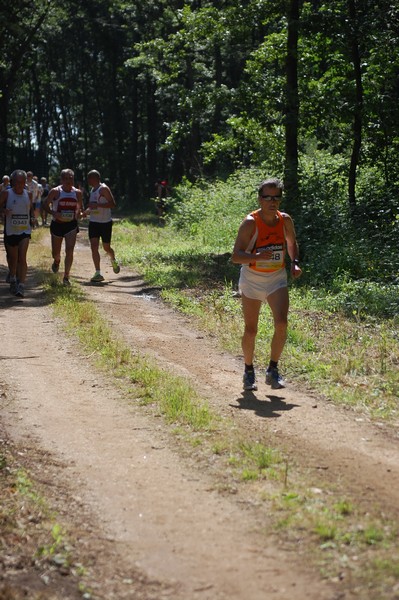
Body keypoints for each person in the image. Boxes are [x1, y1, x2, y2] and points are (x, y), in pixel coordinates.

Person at [232, 177, 302, 391]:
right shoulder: (250, 223)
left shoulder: (285, 220)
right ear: (260, 199)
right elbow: (236, 256)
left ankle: (272, 370)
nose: (272, 202)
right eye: (267, 197)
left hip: (276, 279)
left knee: (281, 323)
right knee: (251, 330)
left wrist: (295, 263)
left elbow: (292, 243)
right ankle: (248, 370)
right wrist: (257, 257)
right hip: (252, 279)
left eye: (276, 198)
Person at [42, 168, 83, 286]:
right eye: (66, 179)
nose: (69, 181)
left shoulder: (77, 193)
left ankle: (66, 276)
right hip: (57, 225)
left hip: (71, 225)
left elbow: (79, 207)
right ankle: (57, 261)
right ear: (61, 179)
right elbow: (45, 205)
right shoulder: (55, 191)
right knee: (56, 252)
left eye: (71, 179)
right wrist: (54, 213)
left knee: (69, 250)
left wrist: (78, 213)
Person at [0, 169, 33, 298]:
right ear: (12, 181)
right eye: (17, 182)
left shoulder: (28, 194)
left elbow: (30, 210)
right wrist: (3, 211)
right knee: (13, 259)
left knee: (22, 257)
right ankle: (13, 277)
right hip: (11, 231)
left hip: (24, 230)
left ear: (25, 182)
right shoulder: (6, 194)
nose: (19, 184)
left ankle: (21, 286)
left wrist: (33, 218)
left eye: (22, 182)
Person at [83, 169, 120, 282]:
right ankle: (98, 273)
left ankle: (113, 259)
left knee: (106, 247)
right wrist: (85, 212)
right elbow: (93, 206)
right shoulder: (92, 189)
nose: (88, 181)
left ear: (94, 178)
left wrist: (97, 205)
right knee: (94, 246)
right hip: (94, 222)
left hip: (105, 223)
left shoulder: (103, 188)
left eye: (89, 178)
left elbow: (113, 204)